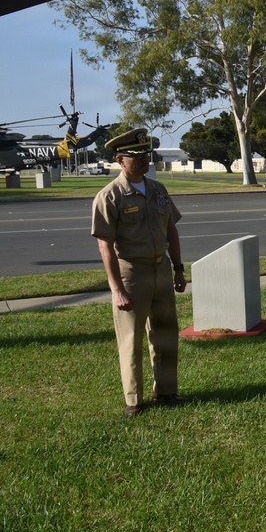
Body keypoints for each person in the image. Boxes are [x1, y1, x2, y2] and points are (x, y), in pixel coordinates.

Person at [91, 128, 189, 418]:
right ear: (120, 160)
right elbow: (105, 247)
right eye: (137, 156)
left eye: (146, 154)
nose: (145, 160)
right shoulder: (110, 196)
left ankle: (167, 391)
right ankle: (134, 400)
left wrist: (179, 268)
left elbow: (171, 228)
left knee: (166, 333)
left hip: (161, 269)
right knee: (131, 339)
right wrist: (117, 289)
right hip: (132, 274)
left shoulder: (158, 190)